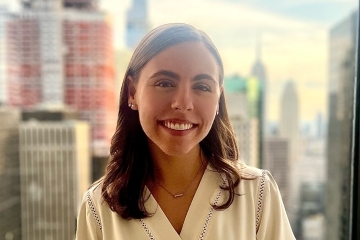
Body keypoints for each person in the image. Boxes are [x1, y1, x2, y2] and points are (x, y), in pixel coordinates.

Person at [75, 23, 295, 240]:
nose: (183, 103)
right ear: (133, 92)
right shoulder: (99, 209)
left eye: (202, 87)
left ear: (218, 98)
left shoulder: (257, 195)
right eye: (164, 83)